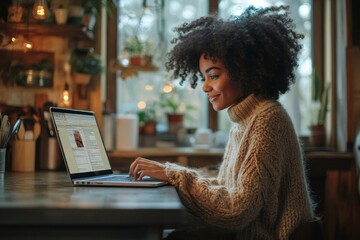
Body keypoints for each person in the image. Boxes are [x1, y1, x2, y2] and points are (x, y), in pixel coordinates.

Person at [129, 5, 315, 240]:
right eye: (204, 77)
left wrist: (172, 174)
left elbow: (236, 210)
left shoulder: (267, 119)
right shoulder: (244, 120)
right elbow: (228, 190)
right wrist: (171, 175)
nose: (205, 87)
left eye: (213, 76)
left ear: (244, 71)